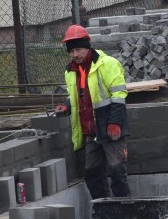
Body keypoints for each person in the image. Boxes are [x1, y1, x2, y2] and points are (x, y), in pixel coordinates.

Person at [53, 24, 131, 199]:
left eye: (78, 50)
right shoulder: (71, 71)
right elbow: (76, 96)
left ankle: (124, 213)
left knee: (117, 171)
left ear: (88, 46)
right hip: (90, 131)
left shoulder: (108, 64)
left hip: (110, 127)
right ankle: (103, 213)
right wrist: (66, 106)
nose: (75, 55)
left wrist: (114, 123)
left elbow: (119, 96)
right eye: (71, 51)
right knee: (92, 174)